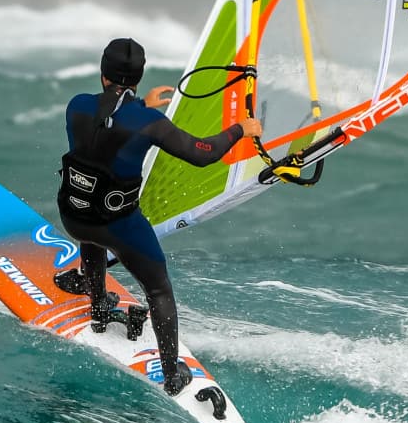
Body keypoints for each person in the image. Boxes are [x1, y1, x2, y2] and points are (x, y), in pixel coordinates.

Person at [55, 37, 261, 395]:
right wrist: (240, 130)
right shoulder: (149, 122)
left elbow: (105, 131)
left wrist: (138, 108)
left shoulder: (76, 106)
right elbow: (203, 153)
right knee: (158, 288)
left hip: (72, 215)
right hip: (119, 227)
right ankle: (172, 375)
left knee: (91, 225)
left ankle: (99, 305)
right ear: (138, 76)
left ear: (103, 73)